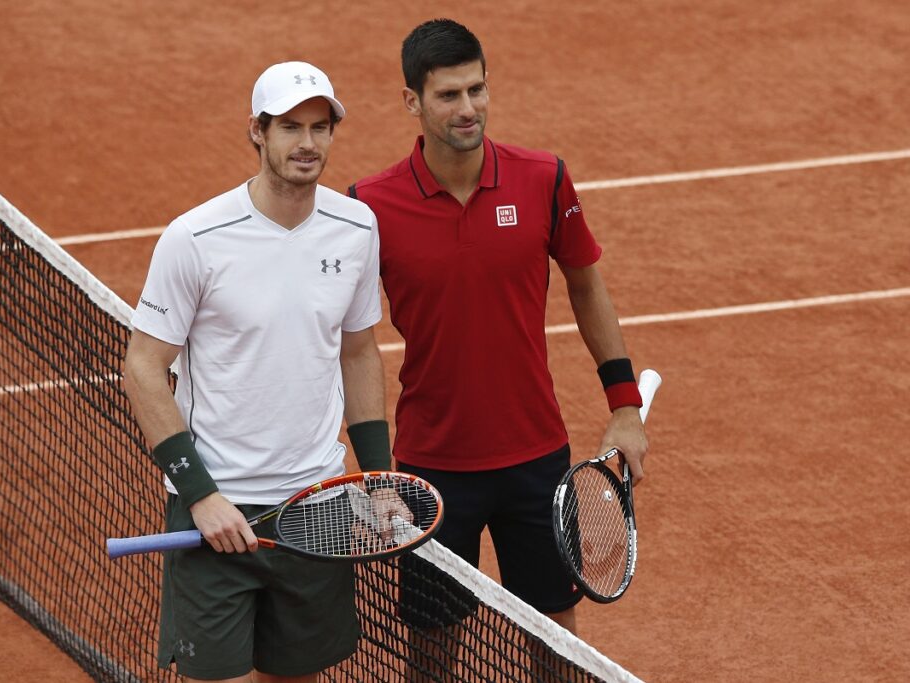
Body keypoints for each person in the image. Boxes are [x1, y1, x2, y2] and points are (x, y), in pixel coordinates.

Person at [348, 18, 650, 641]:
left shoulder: (543, 179)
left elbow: (587, 284)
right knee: (432, 644)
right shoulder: (368, 208)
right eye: (449, 95)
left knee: (555, 641)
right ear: (412, 102)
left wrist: (624, 408)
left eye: (477, 90)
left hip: (537, 458)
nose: (469, 109)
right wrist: (373, 469)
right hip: (433, 466)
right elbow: (348, 343)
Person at [123, 61, 393, 683]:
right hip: (218, 512)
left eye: (320, 128)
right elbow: (143, 366)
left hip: (315, 506)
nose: (307, 144)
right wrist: (201, 495)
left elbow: (357, 351)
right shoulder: (196, 238)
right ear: (258, 132)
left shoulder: (356, 228)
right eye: (291, 127)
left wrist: (378, 476)